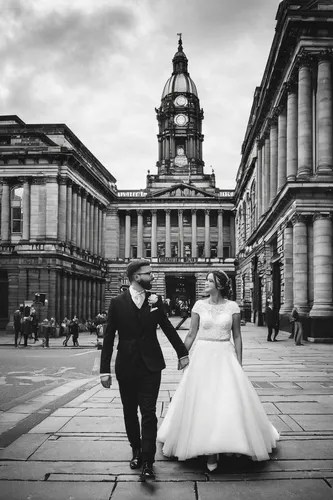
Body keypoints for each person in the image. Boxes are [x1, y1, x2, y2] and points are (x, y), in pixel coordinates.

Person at [157, 270, 279, 472]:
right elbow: (191, 333)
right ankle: (205, 447)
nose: (205, 283)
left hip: (225, 353)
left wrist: (239, 362)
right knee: (202, 400)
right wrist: (182, 354)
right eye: (205, 280)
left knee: (226, 399)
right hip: (202, 355)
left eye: (209, 281)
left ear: (220, 285)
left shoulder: (232, 307)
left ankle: (225, 443)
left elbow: (237, 336)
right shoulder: (199, 305)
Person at [100, 259, 189, 481]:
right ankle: (137, 451)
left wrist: (182, 353)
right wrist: (104, 370)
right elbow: (109, 338)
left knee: (148, 412)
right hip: (126, 365)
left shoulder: (155, 301)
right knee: (130, 411)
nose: (152, 277)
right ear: (136, 277)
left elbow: (167, 328)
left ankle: (149, 460)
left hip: (151, 365)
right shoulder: (117, 302)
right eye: (148, 274)